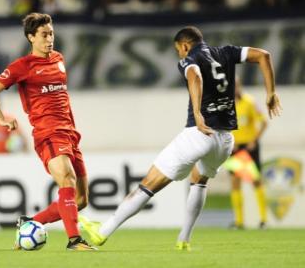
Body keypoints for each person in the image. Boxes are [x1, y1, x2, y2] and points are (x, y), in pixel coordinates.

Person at [79, 26, 282, 251]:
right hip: (225, 140)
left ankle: (102, 232)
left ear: (185, 45)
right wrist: (271, 93)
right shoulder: (226, 52)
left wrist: (197, 112)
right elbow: (264, 55)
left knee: (148, 185)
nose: (180, 55)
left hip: (198, 133)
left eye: (179, 51)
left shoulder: (190, 58)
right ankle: (184, 240)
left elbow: (195, 76)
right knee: (199, 181)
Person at [0, 12, 96, 251]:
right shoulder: (22, 66)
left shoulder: (58, 59)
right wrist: (1, 119)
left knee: (80, 200)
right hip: (48, 133)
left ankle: (30, 223)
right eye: (44, 35)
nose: (49, 39)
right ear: (31, 37)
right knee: (67, 178)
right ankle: (74, 240)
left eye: (51, 34)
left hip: (70, 133)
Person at [229, 77, 268, 229]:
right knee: (235, 182)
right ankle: (239, 222)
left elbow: (264, 122)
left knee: (256, 180)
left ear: (240, 86)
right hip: (235, 147)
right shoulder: (227, 106)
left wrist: (254, 140)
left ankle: (263, 220)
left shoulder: (250, 102)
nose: (234, 88)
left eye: (236, 85)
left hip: (249, 146)